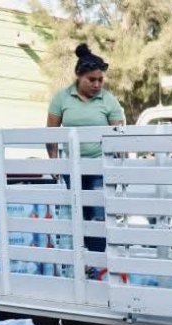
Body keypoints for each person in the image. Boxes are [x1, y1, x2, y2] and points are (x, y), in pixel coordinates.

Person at [46, 43, 125, 252]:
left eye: (100, 80)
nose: (97, 84)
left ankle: (99, 261)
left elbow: (118, 133)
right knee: (77, 213)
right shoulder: (61, 98)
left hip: (100, 167)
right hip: (73, 167)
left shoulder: (108, 100)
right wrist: (53, 162)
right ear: (78, 76)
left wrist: (119, 163)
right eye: (92, 80)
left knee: (98, 214)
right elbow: (51, 132)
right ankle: (80, 262)